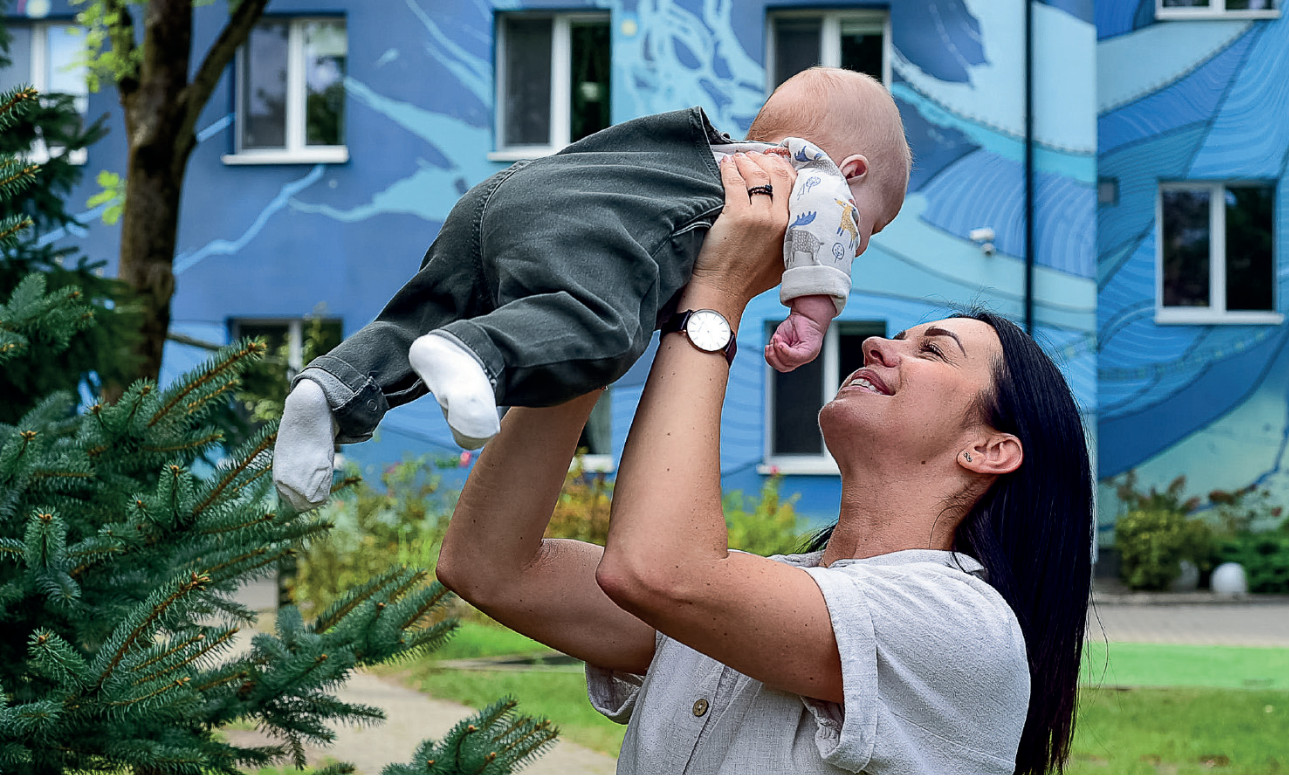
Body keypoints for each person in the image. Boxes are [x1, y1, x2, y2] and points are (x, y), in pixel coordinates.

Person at [436, 152, 1095, 773]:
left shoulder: (963, 625)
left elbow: (661, 572)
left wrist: (716, 292)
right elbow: (492, 567)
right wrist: (599, 318)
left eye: (933, 352)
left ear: (990, 449)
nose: (875, 346)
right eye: (897, 337)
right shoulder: (752, 593)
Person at [272, 67, 911, 512]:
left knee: (421, 313)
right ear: (851, 171)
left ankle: (327, 391)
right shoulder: (806, 174)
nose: (856, 242)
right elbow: (828, 217)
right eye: (871, 224)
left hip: (505, 194)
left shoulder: (699, 160)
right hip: (585, 228)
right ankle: (482, 353)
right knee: (605, 332)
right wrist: (813, 311)